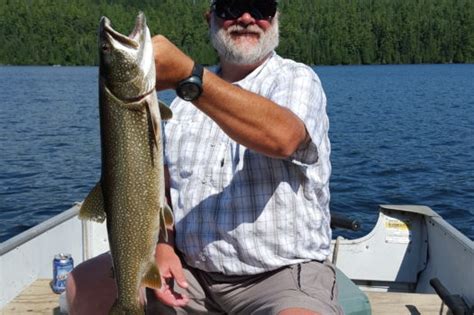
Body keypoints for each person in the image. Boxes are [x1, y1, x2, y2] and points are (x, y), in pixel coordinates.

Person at [66, 0, 342, 314]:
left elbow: (284, 138)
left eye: (261, 7)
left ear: (275, 18)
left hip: (282, 276)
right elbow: (155, 190)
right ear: (210, 18)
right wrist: (163, 247)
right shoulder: (181, 105)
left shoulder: (295, 79)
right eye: (231, 8)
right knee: (82, 287)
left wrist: (190, 77)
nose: (246, 18)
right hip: (192, 273)